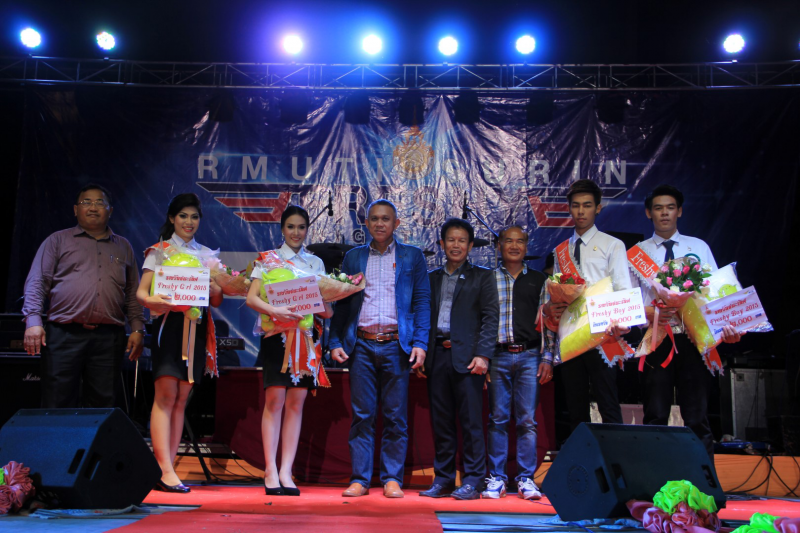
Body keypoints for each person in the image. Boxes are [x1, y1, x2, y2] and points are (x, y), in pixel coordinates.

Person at [329, 199, 431, 499]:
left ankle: (392, 479)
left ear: (396, 223)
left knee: (396, 416)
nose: (380, 224)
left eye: (386, 219)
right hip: (361, 345)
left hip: (397, 345)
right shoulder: (354, 257)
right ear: (366, 224)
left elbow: (422, 301)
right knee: (362, 415)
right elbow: (342, 303)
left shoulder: (412, 256)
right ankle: (360, 479)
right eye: (374, 219)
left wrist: (420, 343)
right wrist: (335, 341)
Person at [635, 184, 742, 458]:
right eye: (658, 208)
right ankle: (652, 478)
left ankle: (702, 480)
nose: (664, 213)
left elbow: (717, 293)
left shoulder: (698, 247)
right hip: (657, 339)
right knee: (655, 414)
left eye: (670, 208)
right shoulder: (636, 253)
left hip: (694, 339)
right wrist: (651, 312)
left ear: (679, 211)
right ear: (648, 213)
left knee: (696, 416)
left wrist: (729, 326)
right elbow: (630, 302)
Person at [22, 183, 145, 408]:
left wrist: (137, 329)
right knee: (56, 401)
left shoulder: (123, 246)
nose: (93, 207)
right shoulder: (57, 240)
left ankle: (95, 435)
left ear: (110, 210)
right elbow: (37, 282)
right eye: (86, 202)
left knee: (102, 405)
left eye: (100, 202)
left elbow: (132, 292)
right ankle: (57, 434)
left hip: (108, 338)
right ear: (75, 209)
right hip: (63, 334)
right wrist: (33, 321)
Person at [136, 193, 223, 493]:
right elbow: (141, 293)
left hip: (196, 329)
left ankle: (168, 468)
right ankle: (163, 469)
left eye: (194, 216)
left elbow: (217, 300)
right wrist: (152, 300)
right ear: (172, 218)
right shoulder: (159, 251)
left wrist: (215, 287)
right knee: (165, 395)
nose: (189, 222)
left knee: (181, 399)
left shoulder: (207, 255)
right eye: (183, 216)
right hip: (169, 328)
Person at [245, 205, 334, 496]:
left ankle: (286, 471)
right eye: (291, 227)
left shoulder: (315, 263)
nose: (296, 232)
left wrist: (328, 297)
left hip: (306, 338)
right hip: (277, 336)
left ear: (307, 229)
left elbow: (326, 311)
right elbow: (251, 298)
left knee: (296, 403)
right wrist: (275, 310)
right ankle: (270, 469)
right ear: (282, 229)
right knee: (275, 401)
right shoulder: (267, 260)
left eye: (301, 227)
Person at [420, 219, 498, 500]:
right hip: (437, 356)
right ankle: (443, 479)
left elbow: (490, 318)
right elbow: (421, 316)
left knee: (471, 423)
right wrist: (422, 352)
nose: (456, 245)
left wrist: (483, 355)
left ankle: (474, 480)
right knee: (441, 422)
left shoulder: (483, 277)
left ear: (470, 245)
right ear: (442, 244)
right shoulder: (430, 278)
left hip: (468, 359)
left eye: (462, 240)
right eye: (451, 240)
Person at [544, 179, 631, 432]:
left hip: (603, 334)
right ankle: (580, 454)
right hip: (572, 334)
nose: (581, 211)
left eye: (587, 205)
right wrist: (553, 306)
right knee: (575, 404)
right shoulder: (560, 251)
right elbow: (559, 291)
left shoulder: (612, 245)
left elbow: (623, 289)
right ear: (569, 209)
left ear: (598, 208)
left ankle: (615, 453)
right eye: (576, 206)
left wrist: (620, 324)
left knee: (608, 401)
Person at [481, 226, 552, 500]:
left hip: (530, 356)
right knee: (497, 419)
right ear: (498, 246)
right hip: (497, 356)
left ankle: (525, 479)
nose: (514, 246)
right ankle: (497, 478)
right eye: (508, 241)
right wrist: (483, 357)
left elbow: (549, 324)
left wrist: (548, 358)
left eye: (519, 241)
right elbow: (480, 321)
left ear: (526, 246)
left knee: (527, 420)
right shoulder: (488, 279)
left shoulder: (539, 280)